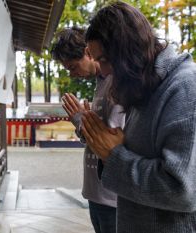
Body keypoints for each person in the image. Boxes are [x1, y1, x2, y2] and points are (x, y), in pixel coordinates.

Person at [81, 2, 196, 232]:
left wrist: (114, 156)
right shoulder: (143, 86)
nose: (102, 72)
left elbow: (181, 190)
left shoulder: (184, 88)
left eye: (104, 60)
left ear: (128, 50)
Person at [51, 27, 125, 233]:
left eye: (73, 66)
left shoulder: (116, 82)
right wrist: (84, 123)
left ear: (88, 52)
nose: (73, 74)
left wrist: (79, 120)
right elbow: (93, 137)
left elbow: (109, 139)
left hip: (112, 196)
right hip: (97, 192)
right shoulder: (101, 83)